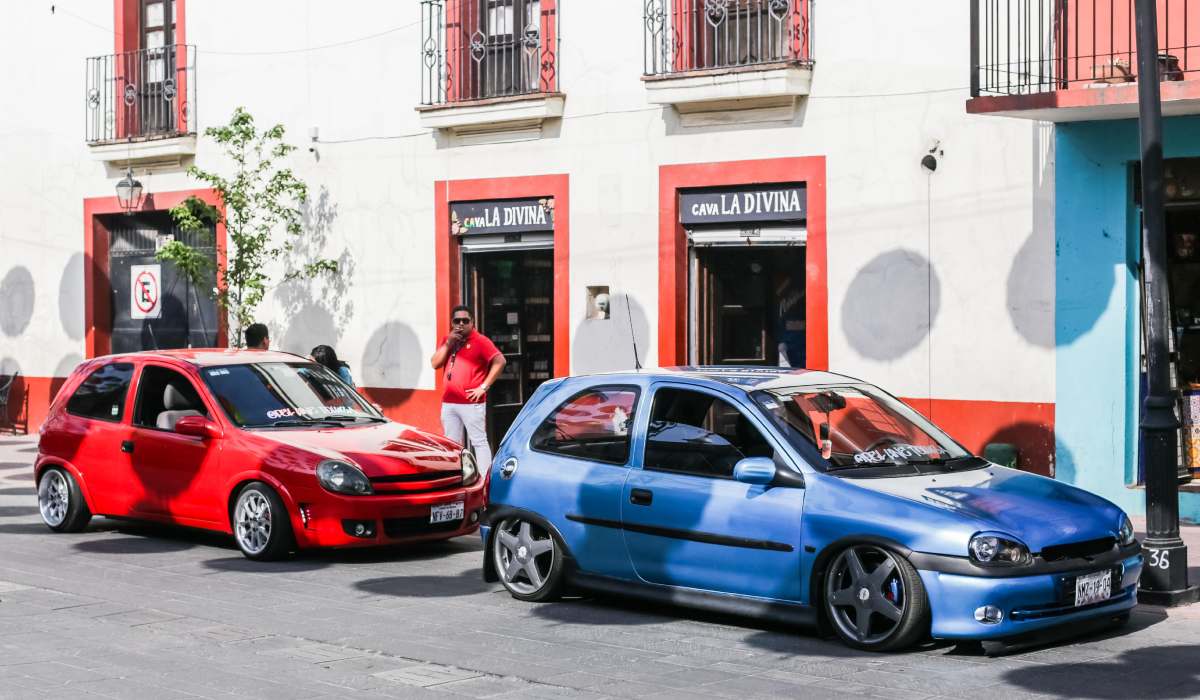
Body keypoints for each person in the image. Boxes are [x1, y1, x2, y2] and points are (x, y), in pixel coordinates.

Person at [430, 305, 506, 468]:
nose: (461, 324)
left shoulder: (481, 341)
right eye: (457, 320)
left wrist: (483, 387)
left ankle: (485, 478)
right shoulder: (447, 340)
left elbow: (500, 361)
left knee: (478, 441)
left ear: (472, 322)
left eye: (465, 321)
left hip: (472, 403)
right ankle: (456, 474)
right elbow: (435, 363)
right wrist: (449, 343)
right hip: (449, 402)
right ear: (452, 322)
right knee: (451, 442)